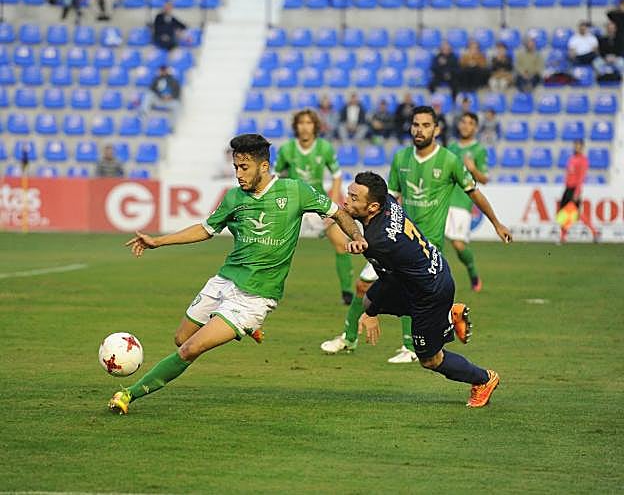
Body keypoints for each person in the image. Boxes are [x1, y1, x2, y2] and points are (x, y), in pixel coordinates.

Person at [108, 133, 367, 415]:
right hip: (225, 279)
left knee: (190, 349)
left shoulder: (295, 191)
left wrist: (356, 236)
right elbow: (205, 229)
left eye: (244, 167)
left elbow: (338, 213)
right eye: (235, 167)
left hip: (255, 297)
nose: (238, 174)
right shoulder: (234, 197)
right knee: (181, 339)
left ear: (264, 166)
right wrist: (158, 241)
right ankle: (245, 328)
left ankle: (128, 394)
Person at [321, 106, 512, 362]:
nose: (419, 130)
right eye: (415, 124)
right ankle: (350, 337)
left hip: (427, 241)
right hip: (397, 238)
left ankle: (408, 347)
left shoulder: (449, 160)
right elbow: (389, 199)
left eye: (425, 125)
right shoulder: (401, 158)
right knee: (365, 286)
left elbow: (473, 192)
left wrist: (496, 223)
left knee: (407, 287)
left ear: (437, 129)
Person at [343, 171, 501, 408]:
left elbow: (390, 282)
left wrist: (372, 314)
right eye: (349, 194)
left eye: (354, 198)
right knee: (368, 300)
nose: (346, 201)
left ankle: (484, 379)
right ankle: (448, 315)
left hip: (430, 294)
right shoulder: (388, 202)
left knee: (430, 359)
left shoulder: (378, 241)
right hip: (434, 272)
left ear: (373, 207)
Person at [275, 109, 354, 305]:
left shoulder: (324, 148)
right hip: (293, 203)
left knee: (341, 243)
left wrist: (332, 207)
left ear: (315, 126)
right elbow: (274, 177)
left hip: (317, 201)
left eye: (309, 123)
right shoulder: (286, 149)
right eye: (301, 123)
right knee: (277, 246)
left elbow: (337, 176)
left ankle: (347, 293)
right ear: (296, 126)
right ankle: (271, 288)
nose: (305, 127)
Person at [446, 112, 489, 292]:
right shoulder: (451, 147)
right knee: (431, 243)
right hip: (442, 199)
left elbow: (484, 179)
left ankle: (473, 273)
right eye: (463, 122)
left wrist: (473, 169)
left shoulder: (479, 150)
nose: (465, 126)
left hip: (462, 202)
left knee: (458, 244)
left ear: (475, 128)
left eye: (470, 123)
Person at [559, 140, 599, 243]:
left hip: (574, 189)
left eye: (578, 146)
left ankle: (594, 232)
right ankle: (563, 236)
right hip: (568, 188)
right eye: (575, 145)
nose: (576, 147)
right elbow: (569, 173)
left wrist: (577, 192)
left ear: (582, 147)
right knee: (565, 213)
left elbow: (581, 178)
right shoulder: (571, 158)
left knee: (574, 213)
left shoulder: (583, 160)